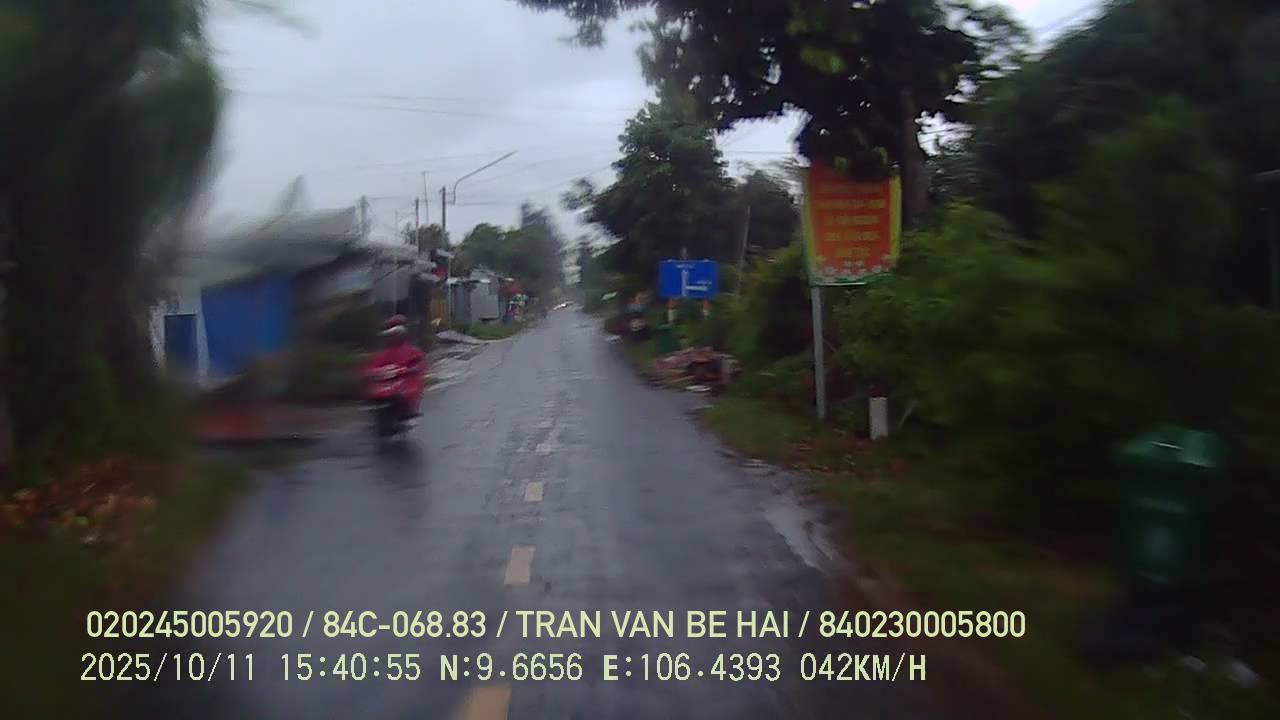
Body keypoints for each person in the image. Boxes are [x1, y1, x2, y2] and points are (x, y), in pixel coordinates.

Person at [363, 315, 426, 418]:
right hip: (387, 384)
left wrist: (409, 370)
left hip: (405, 384)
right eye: (391, 335)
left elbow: (419, 365)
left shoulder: (412, 351)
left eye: (396, 334)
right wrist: (370, 373)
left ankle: (408, 410)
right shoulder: (385, 353)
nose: (393, 337)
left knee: (406, 394)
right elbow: (372, 367)